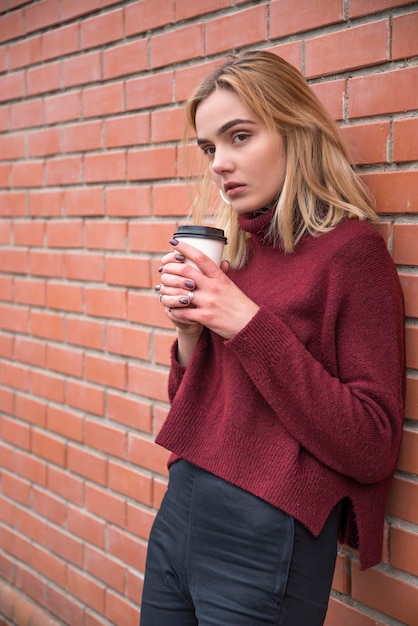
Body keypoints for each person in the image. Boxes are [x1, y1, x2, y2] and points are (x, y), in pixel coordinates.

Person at [140, 50, 405, 626]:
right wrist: (189, 335)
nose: (218, 163)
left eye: (239, 136)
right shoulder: (233, 250)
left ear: (296, 132)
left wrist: (246, 323)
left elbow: (373, 442)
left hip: (266, 531)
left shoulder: (350, 253)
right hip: (182, 507)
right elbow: (202, 408)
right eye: (210, 147)